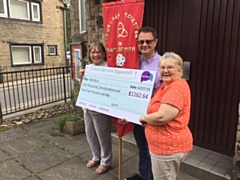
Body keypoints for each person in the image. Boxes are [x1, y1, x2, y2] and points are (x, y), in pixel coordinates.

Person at [139, 52, 193, 180]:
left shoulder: (176, 88)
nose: (165, 71)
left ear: (179, 70)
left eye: (170, 67)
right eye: (162, 67)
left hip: (167, 148)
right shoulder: (167, 84)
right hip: (165, 146)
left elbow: (162, 117)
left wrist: (143, 118)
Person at [125, 27, 161, 180]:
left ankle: (150, 177)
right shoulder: (134, 61)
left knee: (152, 150)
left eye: (148, 41)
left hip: (154, 115)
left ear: (155, 42)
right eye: (141, 42)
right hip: (137, 114)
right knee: (142, 148)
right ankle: (142, 174)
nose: (144, 44)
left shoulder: (163, 63)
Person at [79, 42, 112, 175]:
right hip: (87, 108)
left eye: (98, 52)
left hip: (100, 109)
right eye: (93, 52)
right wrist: (82, 78)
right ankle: (96, 156)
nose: (95, 54)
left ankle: (106, 161)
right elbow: (83, 88)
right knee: (90, 134)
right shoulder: (89, 68)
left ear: (104, 54)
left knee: (103, 136)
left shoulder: (108, 68)